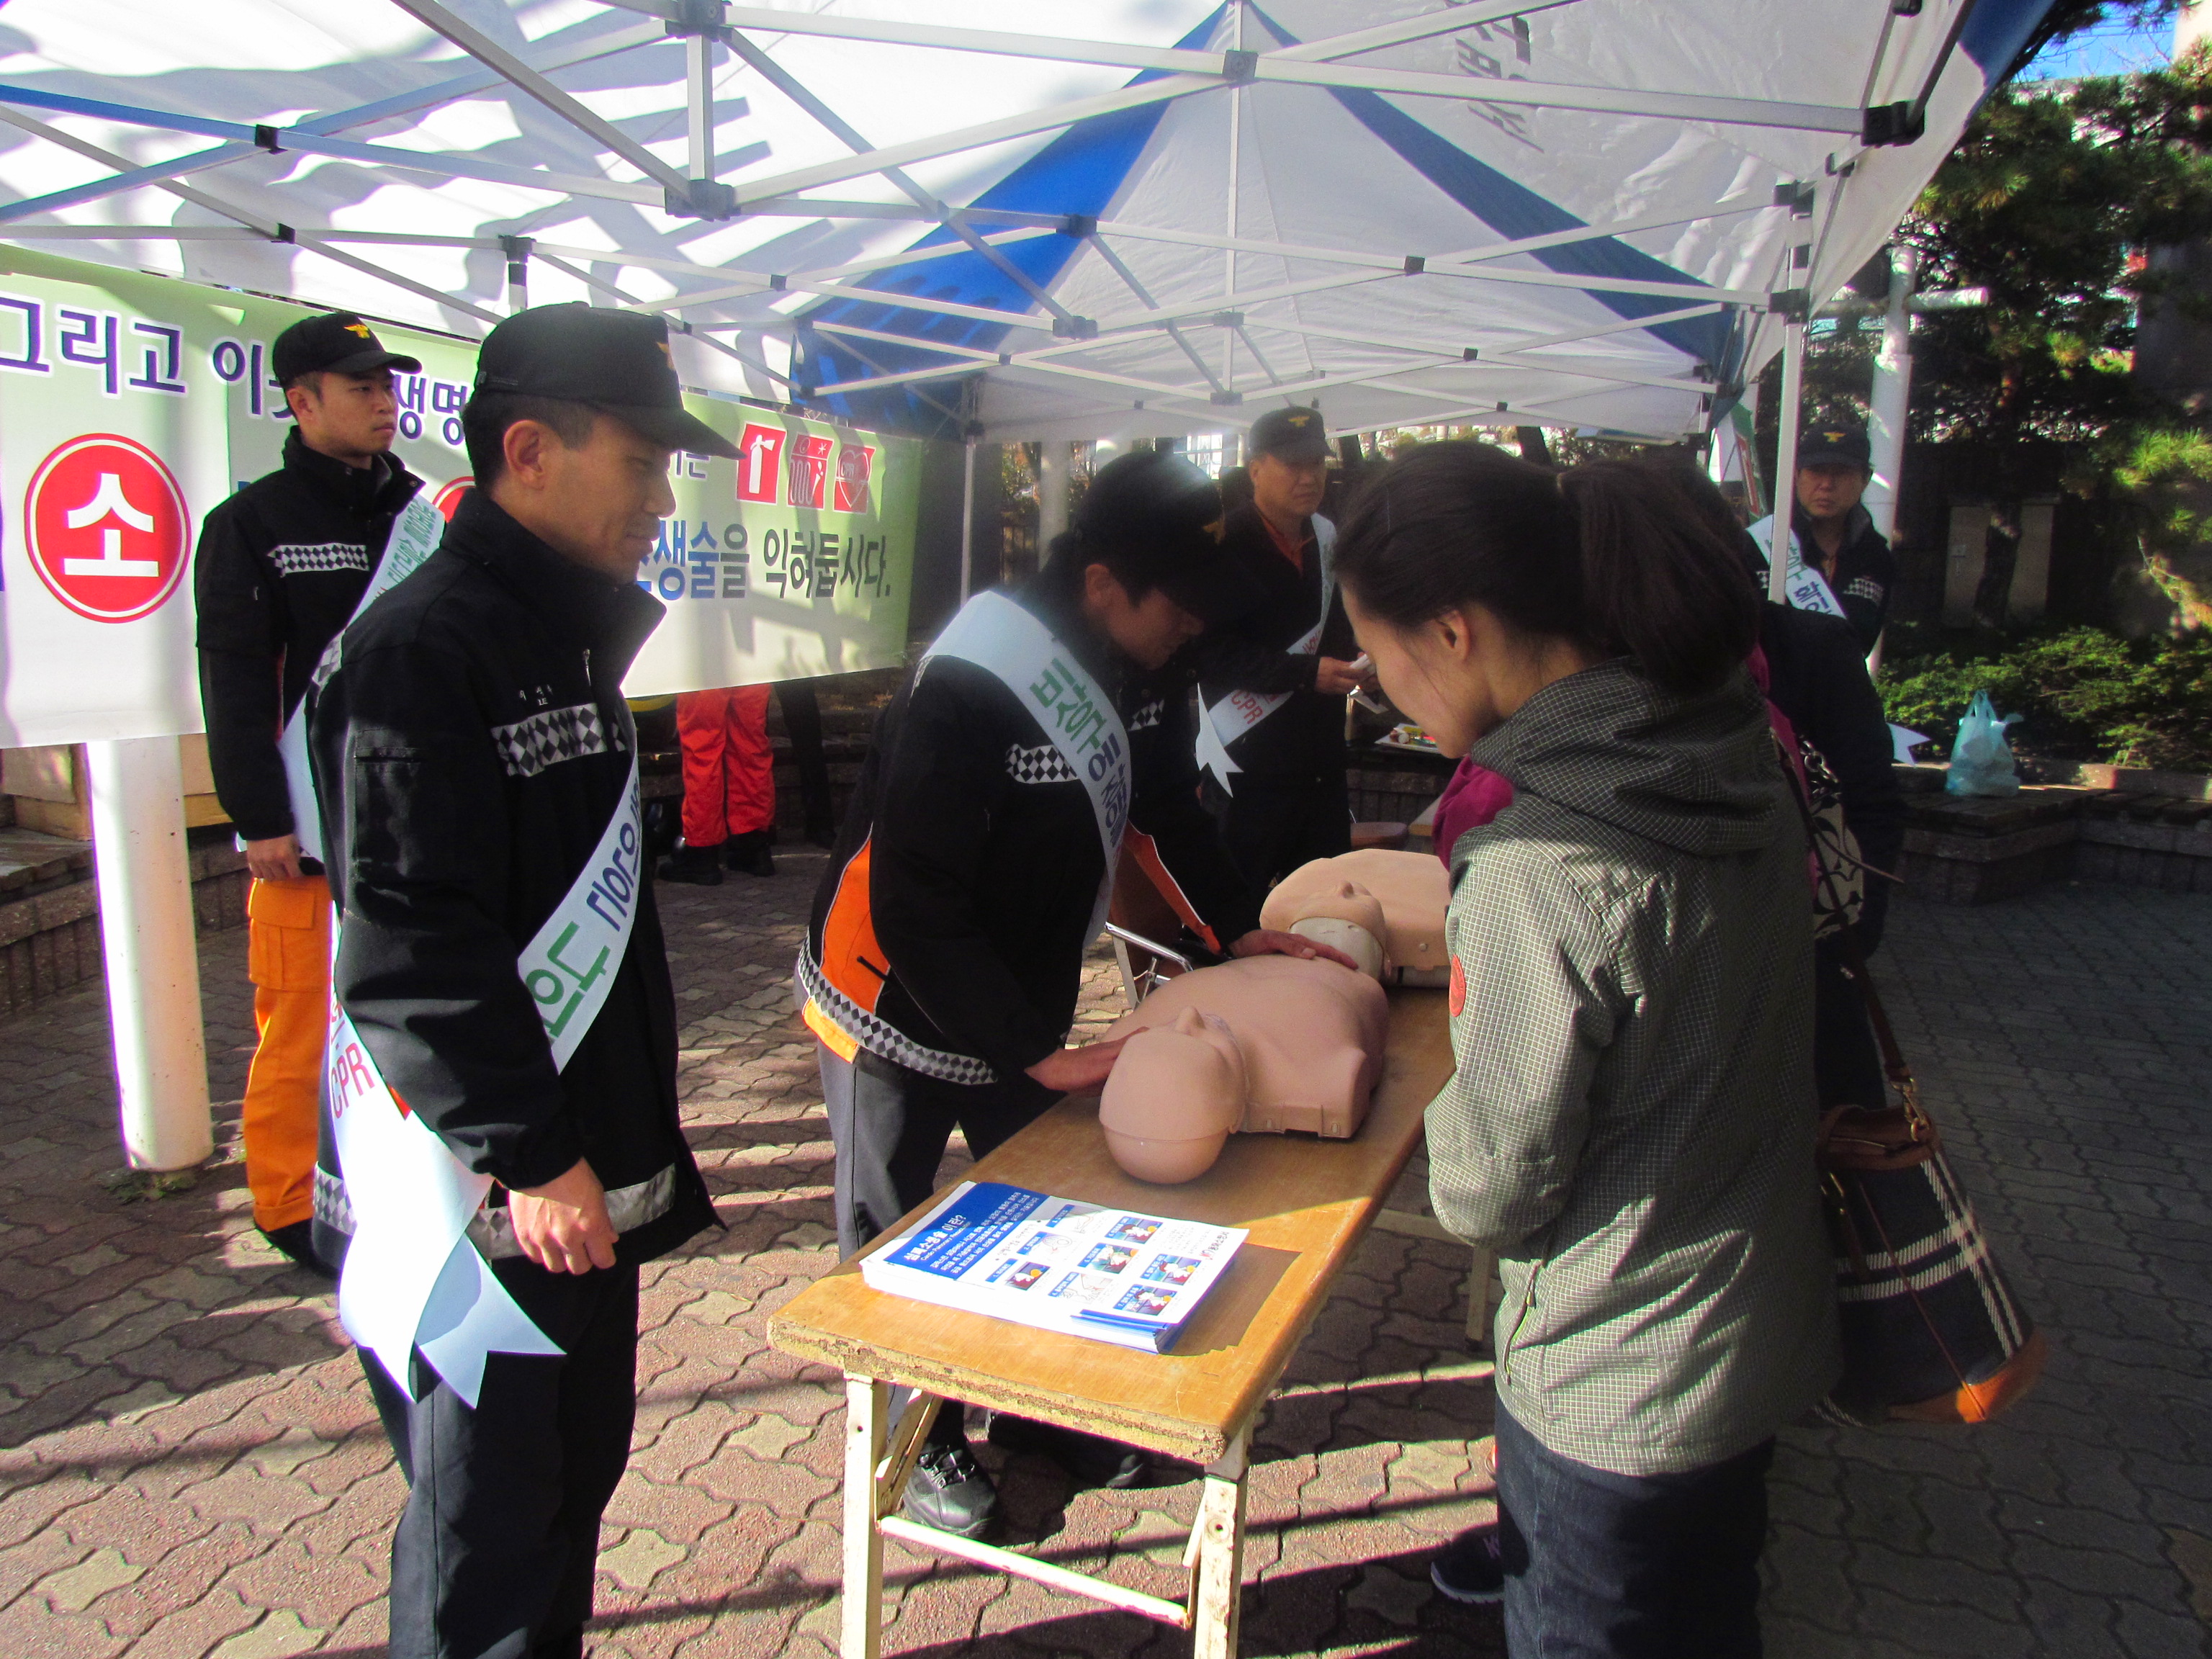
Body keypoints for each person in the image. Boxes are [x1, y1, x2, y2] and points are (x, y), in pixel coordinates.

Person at [1333, 442, 1838, 1655]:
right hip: (1751, 1331)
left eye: (1379, 655)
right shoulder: (1729, 744)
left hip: (1615, 1380)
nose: (1385, 690)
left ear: (1451, 631)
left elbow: (1490, 1189)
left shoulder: (1540, 860)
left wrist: (1421, 1094)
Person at [795, 449, 1352, 1538]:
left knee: (1039, 1205)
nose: (1193, 627)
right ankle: (913, 1440)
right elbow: (915, 899)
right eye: (1178, 605)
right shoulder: (973, 677)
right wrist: (1032, 1051)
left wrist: (1236, 925)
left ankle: (1038, 1408)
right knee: (893, 1223)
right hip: (893, 993)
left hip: (1016, 986)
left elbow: (1169, 805)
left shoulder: (1140, 662)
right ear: (1103, 584)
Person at [308, 303, 731, 1659]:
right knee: (483, 1543)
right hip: (485, 1200)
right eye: (643, 463)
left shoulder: (560, 632)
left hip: (569, 1185)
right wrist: (533, 1153)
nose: (663, 501)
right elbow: (413, 947)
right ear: (532, 451)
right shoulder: (421, 651)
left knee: (566, 1493)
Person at [194, 310, 425, 1274]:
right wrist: (260, 817)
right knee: (297, 1018)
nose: (384, 401)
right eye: (361, 386)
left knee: (411, 1006)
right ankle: (291, 1202)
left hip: (411, 818)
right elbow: (236, 682)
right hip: (304, 826)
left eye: (387, 384)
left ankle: (401, 1181)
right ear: (302, 401)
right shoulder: (251, 524)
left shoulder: (422, 515)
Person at [1192, 405, 1371, 891]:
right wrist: (1306, 673)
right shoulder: (1223, 545)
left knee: (1325, 908)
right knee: (1234, 910)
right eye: (1293, 465)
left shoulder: (1328, 539)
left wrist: (1361, 666)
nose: (1309, 477)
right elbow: (1207, 653)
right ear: (1256, 470)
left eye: (1316, 463)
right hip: (1245, 767)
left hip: (1320, 768)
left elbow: (1339, 632)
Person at [1746, 424, 1897, 652]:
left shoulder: (1876, 558)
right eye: (1816, 471)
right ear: (1797, 475)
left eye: (1841, 473)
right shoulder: (1756, 546)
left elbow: (1865, 641)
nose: (1826, 485)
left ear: (1865, 479)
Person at [658, 682, 777, 884]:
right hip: (750, 667)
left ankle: (702, 855)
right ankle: (753, 847)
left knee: (703, 751)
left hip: (704, 670)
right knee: (751, 747)